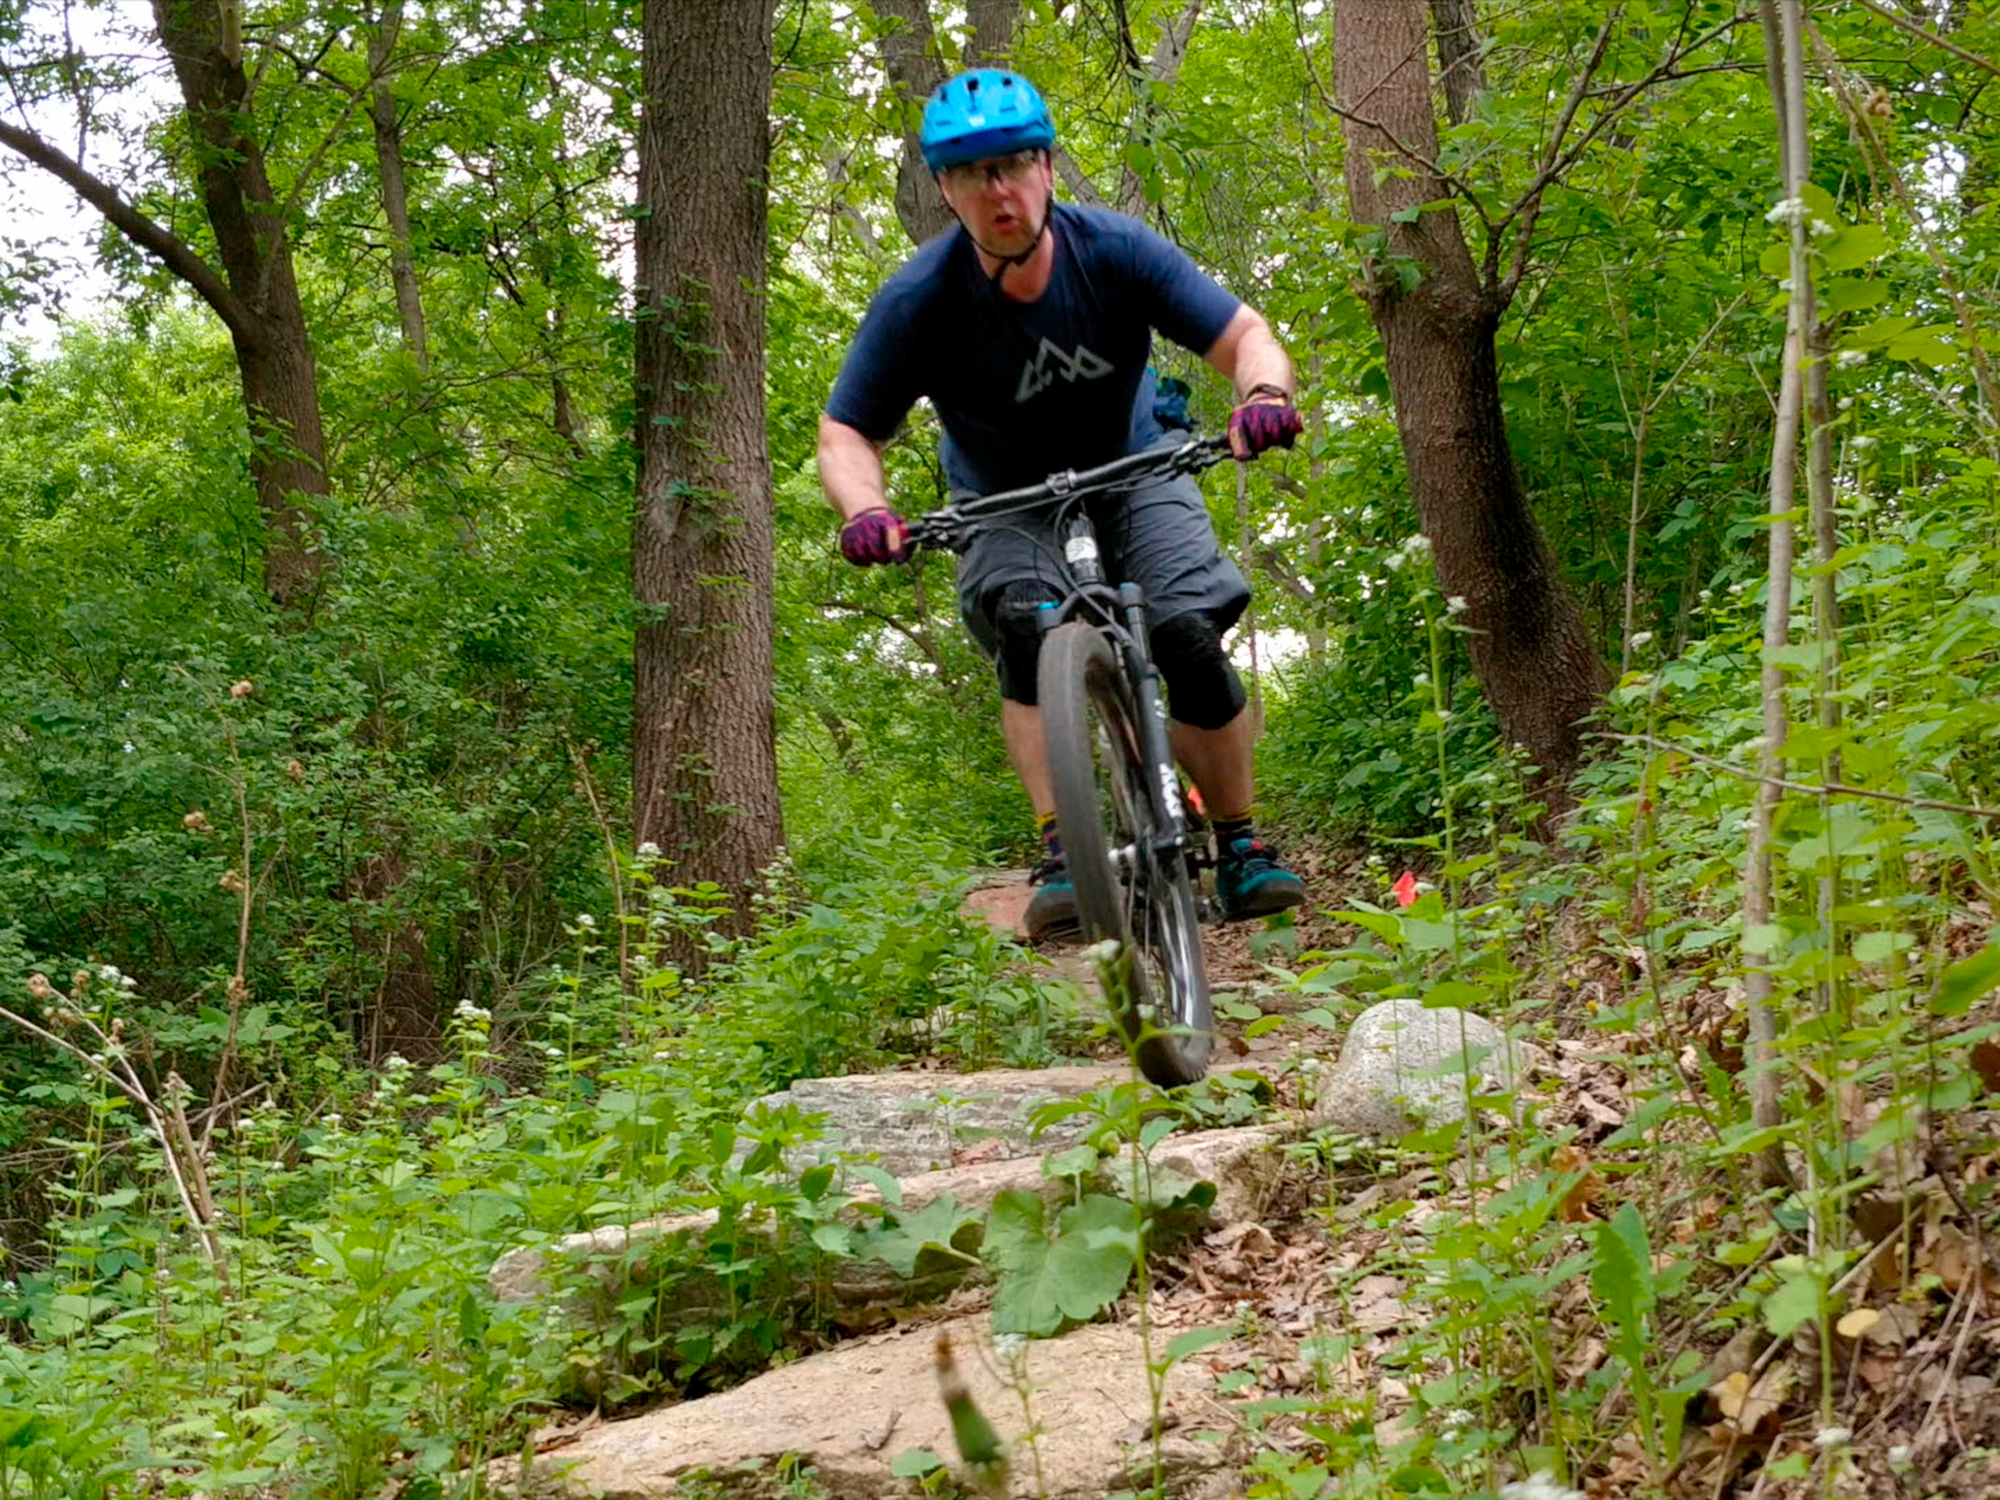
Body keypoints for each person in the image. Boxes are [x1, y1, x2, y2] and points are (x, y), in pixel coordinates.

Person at [818, 67, 1305, 942]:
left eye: (1012, 164)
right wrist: (864, 509)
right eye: (972, 173)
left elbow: (1243, 335)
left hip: (1135, 461)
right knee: (1022, 621)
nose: (997, 190)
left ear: (1046, 166)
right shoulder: (917, 302)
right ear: (945, 191)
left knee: (1185, 632)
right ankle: (1060, 846)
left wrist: (1262, 391)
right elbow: (847, 431)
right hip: (1002, 496)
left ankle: (1240, 843)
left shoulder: (1112, 251)